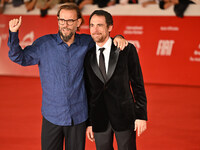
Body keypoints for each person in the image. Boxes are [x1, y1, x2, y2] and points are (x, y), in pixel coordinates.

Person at [8, 3, 128, 150]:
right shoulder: (44, 44)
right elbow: (19, 57)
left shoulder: (87, 43)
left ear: (78, 22)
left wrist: (118, 37)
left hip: (78, 116)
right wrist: (13, 33)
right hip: (52, 115)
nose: (65, 25)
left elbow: (104, 42)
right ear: (58, 20)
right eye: (61, 20)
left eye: (70, 21)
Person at [84, 10, 147, 150]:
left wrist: (141, 115)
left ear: (110, 27)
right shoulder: (87, 56)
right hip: (99, 119)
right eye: (92, 25)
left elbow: (138, 84)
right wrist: (89, 122)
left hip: (124, 116)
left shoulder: (126, 49)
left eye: (100, 25)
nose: (95, 30)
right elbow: (88, 91)